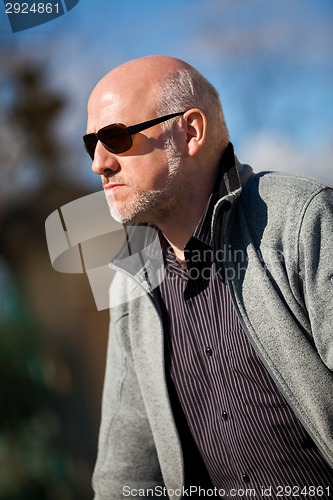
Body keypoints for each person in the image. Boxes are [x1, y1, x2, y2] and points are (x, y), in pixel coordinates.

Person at [84, 55, 333, 499]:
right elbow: (127, 467)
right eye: (92, 144)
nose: (98, 163)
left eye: (116, 137)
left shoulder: (300, 221)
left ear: (191, 132)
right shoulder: (131, 280)